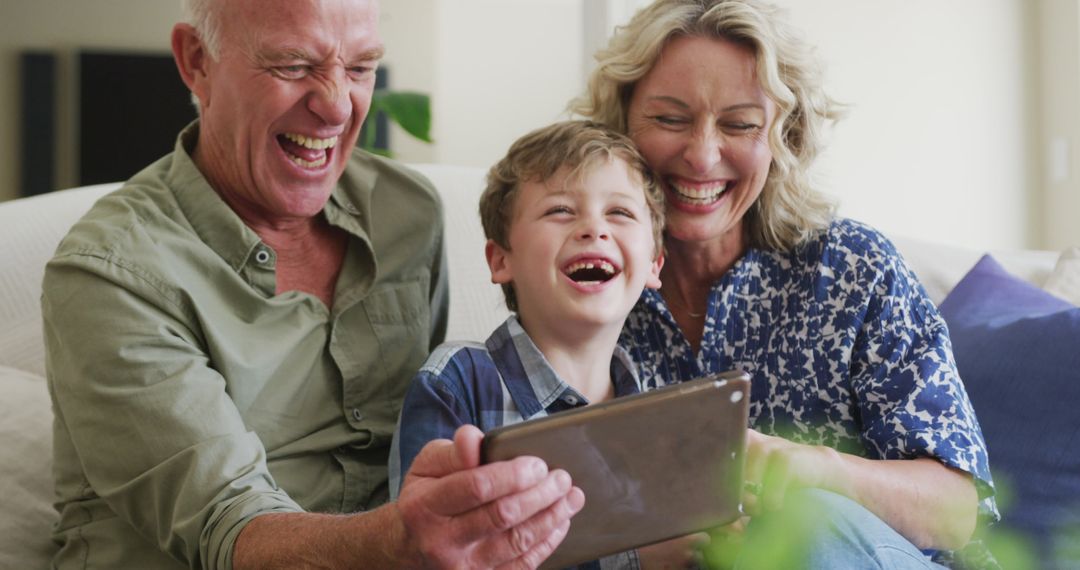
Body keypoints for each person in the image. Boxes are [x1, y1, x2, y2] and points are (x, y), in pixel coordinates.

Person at [41, 0, 582, 568]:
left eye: (360, 68)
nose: (337, 106)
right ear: (197, 60)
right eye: (294, 65)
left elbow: (426, 425)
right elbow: (230, 526)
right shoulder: (109, 271)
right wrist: (402, 541)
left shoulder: (404, 212)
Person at [571, 0, 999, 568]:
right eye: (670, 119)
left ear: (783, 137)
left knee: (804, 524)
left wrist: (818, 471)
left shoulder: (852, 267)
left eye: (740, 124)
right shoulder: (583, 282)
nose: (701, 155)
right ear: (621, 124)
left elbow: (956, 511)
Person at [389, 120, 706, 569]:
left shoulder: (660, 410)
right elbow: (425, 554)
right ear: (501, 260)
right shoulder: (457, 381)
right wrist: (634, 559)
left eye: (620, 213)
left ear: (654, 265)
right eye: (560, 210)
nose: (593, 229)